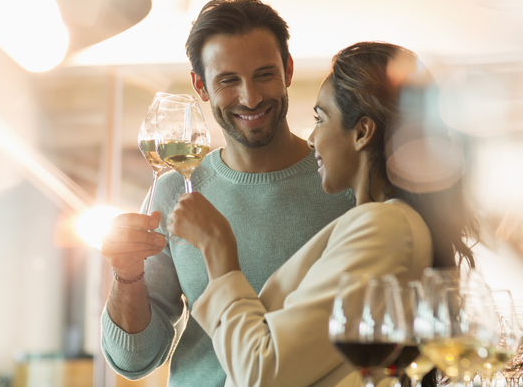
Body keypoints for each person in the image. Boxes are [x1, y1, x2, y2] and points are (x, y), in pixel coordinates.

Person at [168, 41, 478, 386]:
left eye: (320, 118)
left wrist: (217, 249)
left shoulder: (384, 224)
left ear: (361, 132)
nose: (312, 138)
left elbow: (263, 371)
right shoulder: (388, 221)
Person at [99, 0, 356, 386]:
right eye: (228, 81)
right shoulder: (174, 193)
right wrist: (127, 276)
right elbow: (134, 361)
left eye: (264, 74)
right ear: (201, 86)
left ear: (288, 70)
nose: (250, 98)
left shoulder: (345, 185)